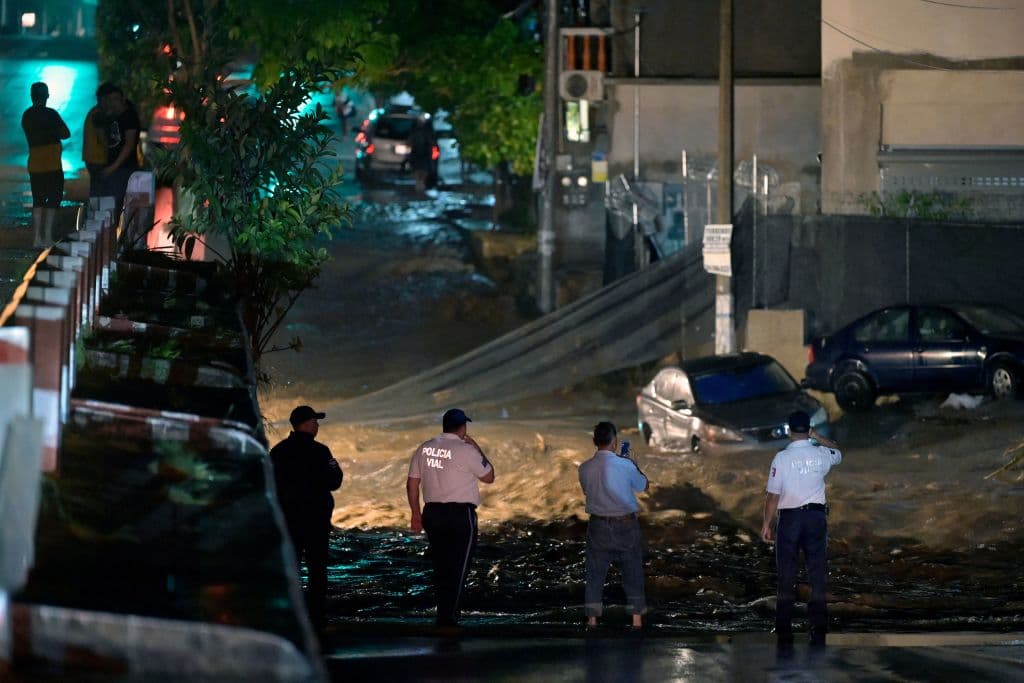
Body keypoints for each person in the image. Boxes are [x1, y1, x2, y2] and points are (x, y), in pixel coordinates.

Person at [761, 410, 842, 651]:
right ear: (808, 429)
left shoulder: (781, 458)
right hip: (816, 518)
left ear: (788, 430)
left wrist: (766, 524)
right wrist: (817, 437)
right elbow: (838, 452)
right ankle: (818, 625)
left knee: (786, 574)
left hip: (790, 520)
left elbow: (772, 497)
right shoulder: (820, 454)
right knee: (817, 573)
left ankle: (784, 625)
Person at [406, 408, 495, 628]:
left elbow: (412, 483)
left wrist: (416, 514)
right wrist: (477, 447)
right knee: (459, 566)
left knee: (441, 565)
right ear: (463, 427)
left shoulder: (425, 448)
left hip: (432, 514)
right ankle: (448, 617)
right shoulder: (466, 449)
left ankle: (443, 613)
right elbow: (489, 476)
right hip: (459, 515)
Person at [270, 405, 344, 634]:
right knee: (317, 570)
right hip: (316, 522)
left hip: (288, 521)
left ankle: (288, 614)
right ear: (307, 424)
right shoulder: (321, 451)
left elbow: (269, 485)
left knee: (290, 568)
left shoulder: (278, 452)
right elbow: (334, 482)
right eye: (315, 421)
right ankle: (316, 617)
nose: (317, 425)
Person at [578, 421, 649, 630]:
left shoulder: (584, 468)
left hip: (598, 525)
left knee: (595, 574)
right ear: (615, 442)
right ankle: (636, 620)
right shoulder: (625, 465)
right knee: (633, 572)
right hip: (626, 525)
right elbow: (643, 486)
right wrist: (634, 465)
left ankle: (592, 620)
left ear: (594, 441)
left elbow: (587, 491)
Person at [21, 82, 70, 247]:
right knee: (54, 199)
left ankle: (36, 239)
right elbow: (66, 133)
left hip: (35, 163)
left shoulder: (26, 115)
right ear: (47, 96)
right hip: (52, 164)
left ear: (31, 96)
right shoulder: (51, 114)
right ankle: (47, 237)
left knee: (38, 200)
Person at [99, 84, 141, 219]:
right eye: (110, 100)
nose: (113, 103)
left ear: (122, 99)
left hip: (124, 168)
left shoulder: (129, 117)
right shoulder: (114, 117)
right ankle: (109, 234)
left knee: (114, 205)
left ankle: (113, 234)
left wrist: (113, 167)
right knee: (109, 204)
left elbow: (129, 145)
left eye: (116, 99)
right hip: (114, 167)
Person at [82, 82, 113, 197]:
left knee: (96, 189)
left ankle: (95, 213)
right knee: (100, 191)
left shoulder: (94, 112)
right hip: (98, 159)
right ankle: (97, 214)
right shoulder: (99, 114)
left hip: (92, 158)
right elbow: (103, 139)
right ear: (103, 98)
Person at [407, 117, 435, 194]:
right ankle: (420, 187)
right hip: (419, 157)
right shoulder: (423, 133)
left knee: (420, 175)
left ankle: (420, 187)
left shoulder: (424, 133)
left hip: (422, 157)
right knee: (420, 175)